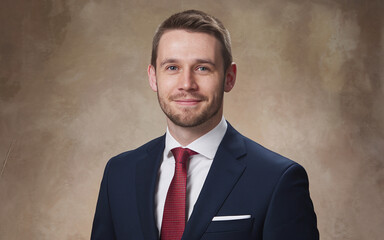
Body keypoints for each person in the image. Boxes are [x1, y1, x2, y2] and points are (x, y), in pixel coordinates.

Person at [91, 9, 319, 240]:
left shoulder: (277, 178)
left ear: (229, 77)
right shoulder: (119, 174)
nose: (187, 84)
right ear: (153, 77)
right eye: (172, 67)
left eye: (202, 68)